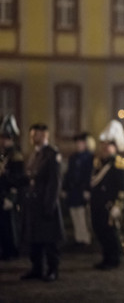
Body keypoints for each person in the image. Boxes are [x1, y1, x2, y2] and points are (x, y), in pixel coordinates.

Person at [20, 123, 64, 282]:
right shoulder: (35, 154)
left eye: (36, 135)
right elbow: (29, 176)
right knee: (35, 239)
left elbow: (54, 182)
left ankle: (53, 269)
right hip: (33, 204)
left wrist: (49, 205)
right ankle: (37, 268)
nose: (32, 138)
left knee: (50, 240)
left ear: (45, 135)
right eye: (32, 135)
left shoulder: (52, 155)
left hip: (46, 203)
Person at [91, 120, 124, 270]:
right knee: (99, 230)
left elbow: (122, 188)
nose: (106, 147)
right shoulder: (99, 162)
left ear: (115, 147)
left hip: (110, 204)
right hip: (98, 202)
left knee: (110, 233)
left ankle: (113, 258)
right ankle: (106, 257)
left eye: (109, 144)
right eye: (104, 144)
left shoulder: (119, 164)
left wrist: (118, 206)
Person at [62, 132, 94, 247]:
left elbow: (89, 175)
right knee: (74, 214)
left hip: (82, 190)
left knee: (82, 215)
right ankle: (78, 237)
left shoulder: (90, 157)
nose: (78, 145)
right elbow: (68, 174)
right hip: (73, 190)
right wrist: (65, 188)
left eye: (80, 143)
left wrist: (87, 189)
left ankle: (85, 238)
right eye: (77, 143)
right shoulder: (73, 157)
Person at [0, 115, 24, 261]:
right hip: (3, 192)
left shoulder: (15, 155)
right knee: (3, 225)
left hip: (10, 193)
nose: (3, 140)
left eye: (6, 137)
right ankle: (6, 249)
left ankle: (12, 250)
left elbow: (17, 177)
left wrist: (11, 196)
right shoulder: (4, 154)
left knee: (11, 224)